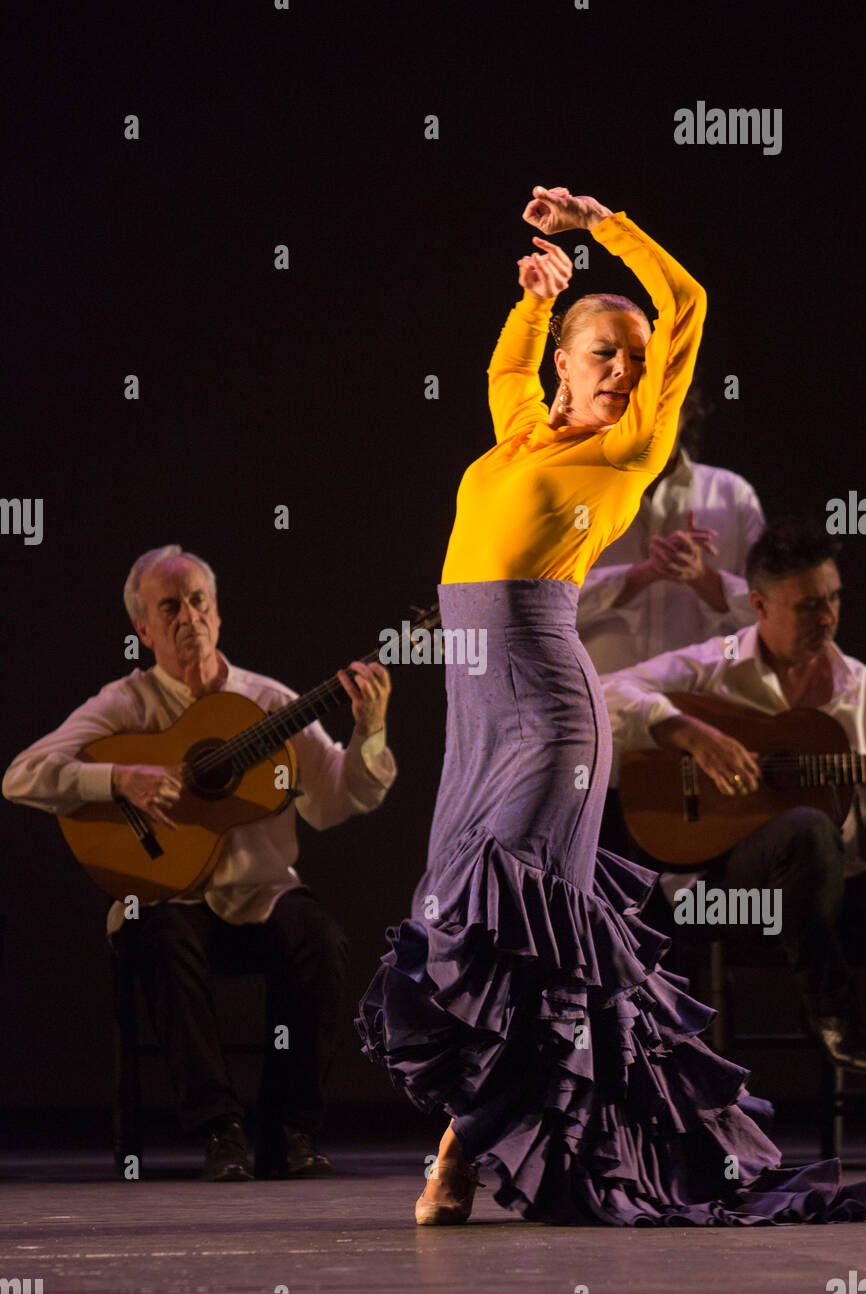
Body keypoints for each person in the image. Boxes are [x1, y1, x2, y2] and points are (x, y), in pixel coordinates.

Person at [356, 185, 866, 1226]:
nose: (624, 370)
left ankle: (456, 1157)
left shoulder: (622, 451)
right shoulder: (518, 434)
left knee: (516, 922)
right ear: (563, 366)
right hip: (477, 716)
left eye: (634, 358)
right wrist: (538, 296)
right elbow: (506, 368)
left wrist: (599, 230)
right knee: (460, 921)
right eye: (603, 352)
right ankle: (481, 1143)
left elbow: (685, 304)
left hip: (550, 712)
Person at [2, 545, 396, 1181]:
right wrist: (118, 779)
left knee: (320, 940)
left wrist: (369, 731)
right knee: (161, 936)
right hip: (168, 898)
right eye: (170, 606)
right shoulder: (126, 704)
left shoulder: (269, 702)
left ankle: (290, 1128)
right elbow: (20, 775)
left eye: (198, 601)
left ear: (217, 611)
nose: (189, 616)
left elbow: (332, 802)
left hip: (260, 895)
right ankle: (222, 1130)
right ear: (144, 630)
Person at [601, 517, 866, 1069]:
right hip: (720, 890)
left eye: (835, 600)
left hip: (838, 894)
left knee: (818, 835)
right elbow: (604, 693)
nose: (829, 617)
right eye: (809, 606)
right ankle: (835, 1013)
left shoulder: (858, 692)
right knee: (805, 828)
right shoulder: (715, 664)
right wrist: (691, 734)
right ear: (760, 606)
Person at [577, 383, 766, 676]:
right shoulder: (579, 496)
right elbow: (540, 612)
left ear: (686, 409)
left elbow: (771, 615)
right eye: (637, 407)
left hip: (703, 709)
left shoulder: (734, 496)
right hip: (603, 711)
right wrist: (633, 579)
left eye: (663, 406)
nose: (650, 420)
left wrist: (704, 578)